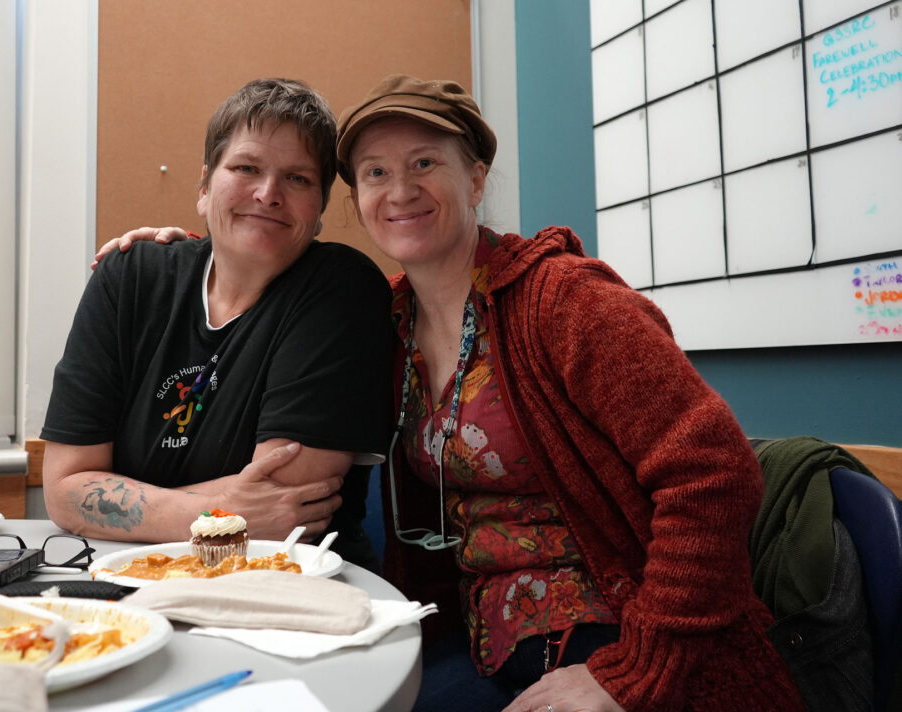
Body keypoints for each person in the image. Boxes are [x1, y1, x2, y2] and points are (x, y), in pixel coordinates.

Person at [99, 76, 805, 711]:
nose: (399, 190)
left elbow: (713, 473)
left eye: (425, 164)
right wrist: (183, 251)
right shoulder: (387, 320)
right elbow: (258, 260)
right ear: (356, 201)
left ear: (476, 179)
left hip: (616, 642)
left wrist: (635, 671)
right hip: (480, 641)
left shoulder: (566, 304)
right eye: (375, 172)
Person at [42, 78, 394, 571]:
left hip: (286, 582)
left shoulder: (341, 288)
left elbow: (286, 501)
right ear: (205, 188)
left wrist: (113, 502)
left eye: (297, 178)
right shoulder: (130, 276)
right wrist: (224, 508)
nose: (268, 193)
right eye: (246, 168)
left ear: (317, 213)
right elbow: (61, 491)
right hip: (128, 573)